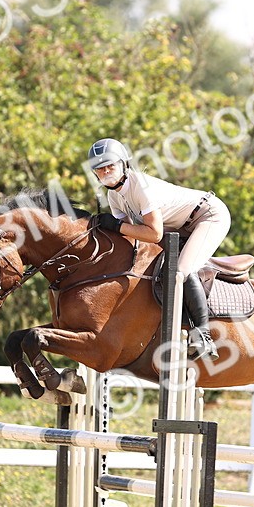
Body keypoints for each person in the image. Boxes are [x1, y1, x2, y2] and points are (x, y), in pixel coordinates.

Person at [86, 137, 229, 360]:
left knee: (182, 271)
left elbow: (153, 233)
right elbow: (133, 238)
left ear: (123, 164)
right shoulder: (113, 196)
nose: (105, 171)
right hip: (177, 227)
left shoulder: (141, 187)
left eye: (110, 166)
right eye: (99, 169)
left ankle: (203, 336)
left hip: (207, 216)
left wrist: (115, 225)